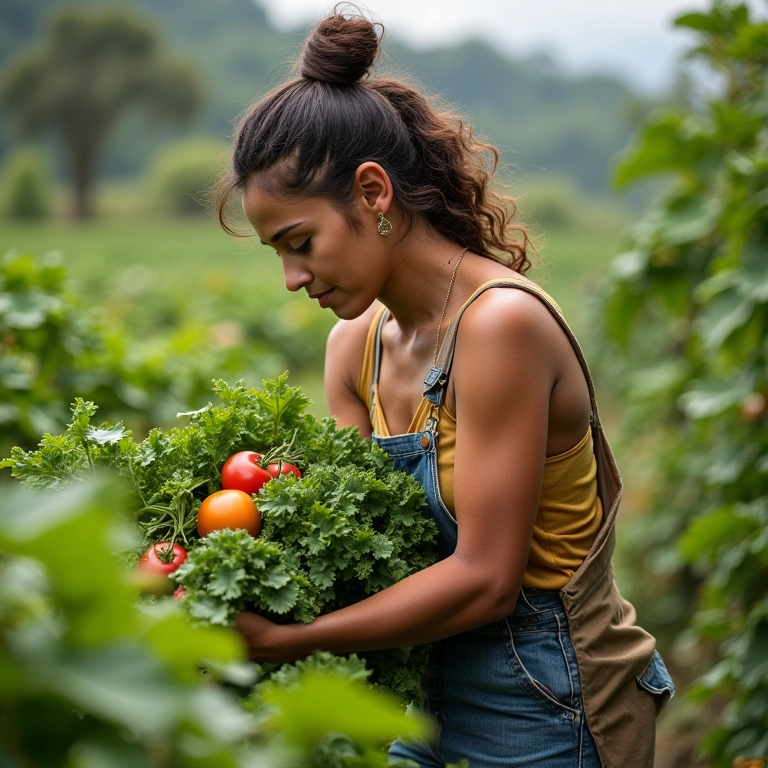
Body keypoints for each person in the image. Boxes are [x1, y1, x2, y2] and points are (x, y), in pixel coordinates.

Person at [217, 9, 675, 767]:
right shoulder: (353, 348)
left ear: (373, 192)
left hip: (544, 701)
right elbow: (374, 547)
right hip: (418, 691)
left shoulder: (498, 328)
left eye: (301, 244)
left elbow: (487, 580)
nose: (292, 279)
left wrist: (294, 640)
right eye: (278, 254)